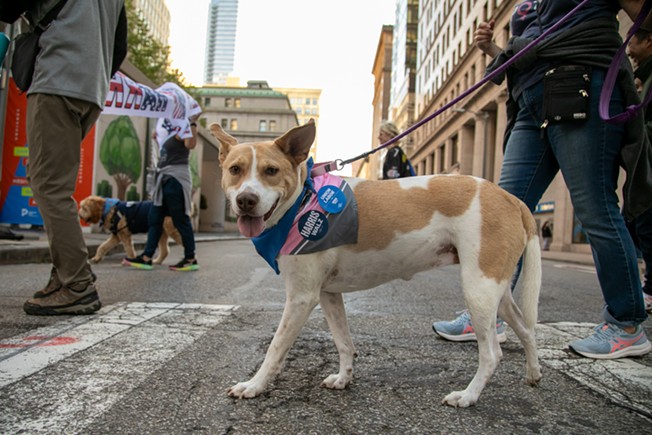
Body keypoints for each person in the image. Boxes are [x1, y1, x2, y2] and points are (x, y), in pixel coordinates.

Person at [433, 0, 652, 359]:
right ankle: (489, 314)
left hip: (579, 82)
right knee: (501, 214)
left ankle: (626, 323)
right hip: (530, 100)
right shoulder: (530, 7)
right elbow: (531, 49)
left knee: (595, 209)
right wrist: (492, 50)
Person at [18, 0, 127, 315]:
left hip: (56, 78)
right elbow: (120, 47)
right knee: (51, 181)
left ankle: (77, 284)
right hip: (90, 90)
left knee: (49, 186)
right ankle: (64, 274)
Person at [123, 90, 201, 272]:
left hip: (176, 179)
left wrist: (193, 122)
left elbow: (191, 144)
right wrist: (158, 136)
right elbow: (160, 146)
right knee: (155, 217)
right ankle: (147, 256)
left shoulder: (181, 131)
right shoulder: (168, 132)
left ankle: (190, 257)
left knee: (180, 218)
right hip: (163, 179)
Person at [625, 28, 652, 312]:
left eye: (632, 42)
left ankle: (647, 291)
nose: (629, 49)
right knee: (634, 223)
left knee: (644, 224)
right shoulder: (640, 74)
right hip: (640, 160)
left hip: (647, 162)